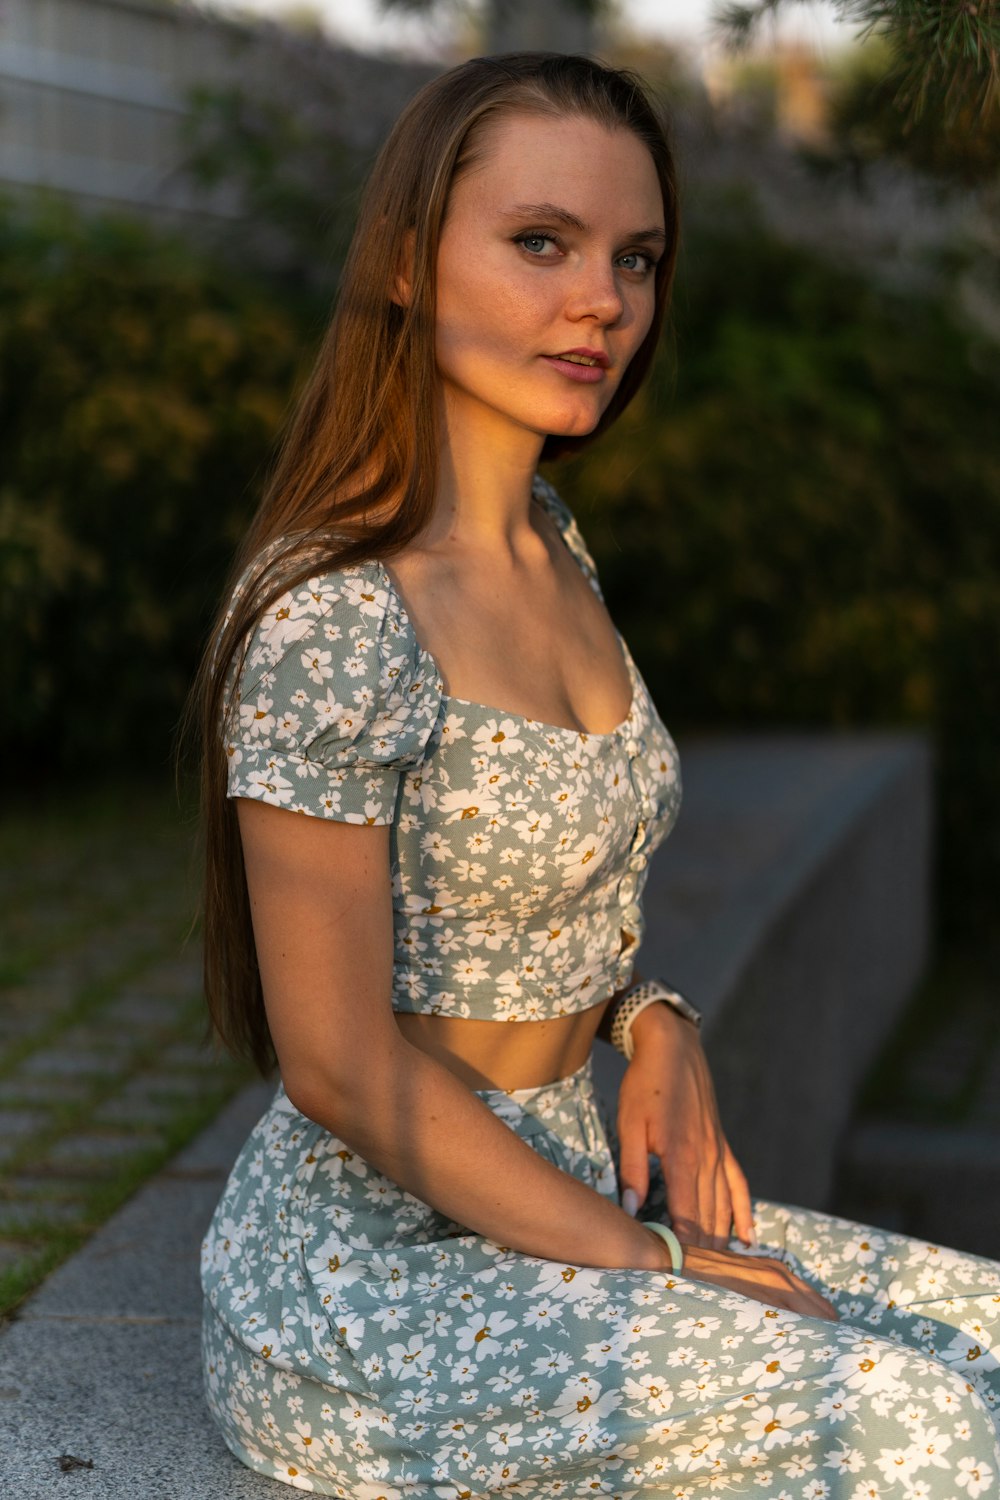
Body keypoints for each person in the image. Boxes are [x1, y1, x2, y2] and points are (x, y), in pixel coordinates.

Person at [192, 51, 1000, 1500]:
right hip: (380, 1270)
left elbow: (560, 864)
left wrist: (658, 1019)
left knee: (989, 1335)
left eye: (636, 257)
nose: (604, 304)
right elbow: (337, 1063)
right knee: (915, 1428)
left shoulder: (555, 545)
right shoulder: (334, 617)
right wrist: (662, 1260)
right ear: (399, 259)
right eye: (540, 243)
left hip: (566, 1173)